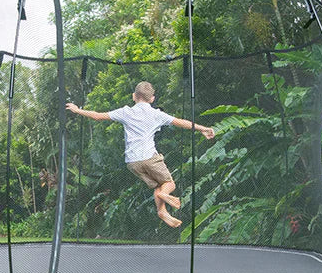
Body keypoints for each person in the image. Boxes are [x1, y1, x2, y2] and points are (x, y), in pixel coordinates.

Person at [66, 81, 215, 228]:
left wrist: (77, 110)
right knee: (169, 184)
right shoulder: (157, 114)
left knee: (158, 186)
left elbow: (97, 116)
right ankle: (164, 195)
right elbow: (181, 122)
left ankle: (162, 212)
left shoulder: (125, 112)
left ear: (134, 96)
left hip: (132, 162)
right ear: (152, 99)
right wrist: (202, 129)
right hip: (149, 157)